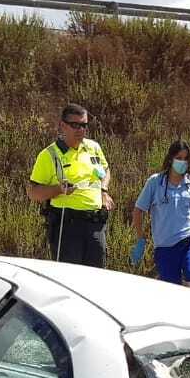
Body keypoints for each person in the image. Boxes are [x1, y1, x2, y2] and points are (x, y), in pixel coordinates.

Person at [27, 103, 113, 266]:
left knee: (96, 277)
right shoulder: (49, 155)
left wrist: (104, 190)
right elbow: (33, 192)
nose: (81, 130)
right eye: (75, 125)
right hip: (67, 227)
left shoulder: (93, 148)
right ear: (63, 126)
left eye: (84, 125)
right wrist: (58, 189)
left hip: (95, 224)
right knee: (69, 279)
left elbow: (106, 170)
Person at [129, 140, 190, 290]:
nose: (182, 162)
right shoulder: (155, 182)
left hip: (189, 240)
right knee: (170, 287)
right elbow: (138, 210)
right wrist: (140, 239)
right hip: (164, 246)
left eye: (185, 159)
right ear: (170, 158)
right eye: (178, 158)